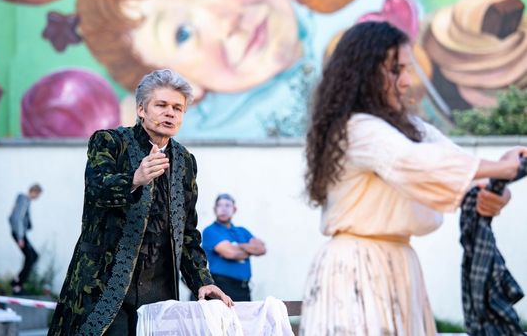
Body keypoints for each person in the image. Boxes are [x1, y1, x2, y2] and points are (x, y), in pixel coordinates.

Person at [300, 21, 526, 335]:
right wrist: (499, 169)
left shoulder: (411, 129)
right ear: (364, 73)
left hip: (401, 267)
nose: (407, 81)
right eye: (396, 70)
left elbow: (458, 170)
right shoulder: (355, 129)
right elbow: (415, 162)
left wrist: (496, 189)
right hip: (355, 269)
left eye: (407, 69)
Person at [48, 69, 232, 336]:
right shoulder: (109, 142)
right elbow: (97, 190)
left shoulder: (185, 161)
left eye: (177, 108)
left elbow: (187, 233)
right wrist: (135, 179)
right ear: (141, 109)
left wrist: (202, 281)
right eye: (161, 105)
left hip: (159, 294)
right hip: (103, 287)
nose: (170, 113)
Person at [202, 193, 266, 301]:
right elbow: (231, 253)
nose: (223, 209)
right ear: (214, 209)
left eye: (227, 205)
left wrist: (238, 246)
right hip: (222, 287)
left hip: (244, 289)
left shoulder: (242, 231)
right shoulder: (210, 231)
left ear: (234, 209)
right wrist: (250, 250)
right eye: (220, 205)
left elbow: (261, 249)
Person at [9, 183, 42, 295]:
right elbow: (16, 218)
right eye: (38, 195)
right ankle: (17, 285)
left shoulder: (25, 200)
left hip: (21, 234)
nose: (37, 197)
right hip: (19, 234)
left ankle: (17, 280)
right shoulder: (23, 200)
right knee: (31, 257)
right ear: (34, 191)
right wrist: (20, 237)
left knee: (34, 256)